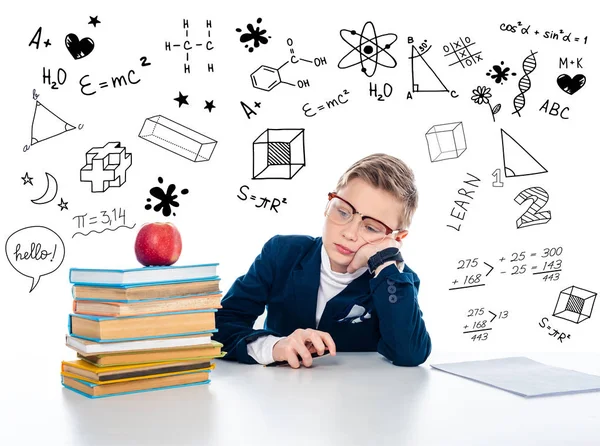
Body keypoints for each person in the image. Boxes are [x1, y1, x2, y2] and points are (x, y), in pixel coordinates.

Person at [214, 153, 432, 368]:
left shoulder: (396, 281)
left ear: (396, 238)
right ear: (329, 204)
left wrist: (385, 262)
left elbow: (411, 353)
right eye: (343, 212)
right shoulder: (282, 253)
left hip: (359, 397)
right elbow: (219, 326)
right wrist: (274, 346)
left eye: (371, 227)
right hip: (280, 393)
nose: (349, 233)